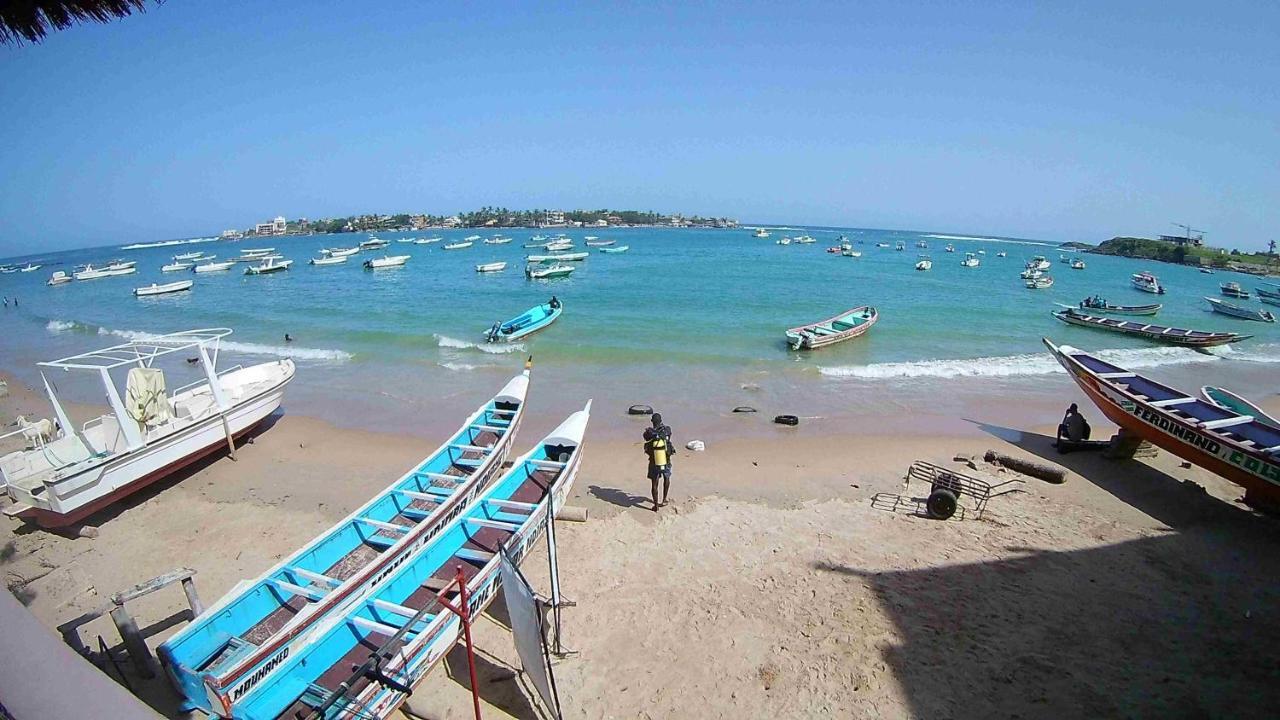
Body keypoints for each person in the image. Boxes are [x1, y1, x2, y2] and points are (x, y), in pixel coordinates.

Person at [643, 413, 674, 511]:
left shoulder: (649, 432)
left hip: (654, 461)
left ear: (652, 421)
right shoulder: (667, 430)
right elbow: (669, 434)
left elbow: (645, 437)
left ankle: (655, 506)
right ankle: (664, 499)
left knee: (654, 483)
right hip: (666, 460)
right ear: (661, 421)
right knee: (667, 478)